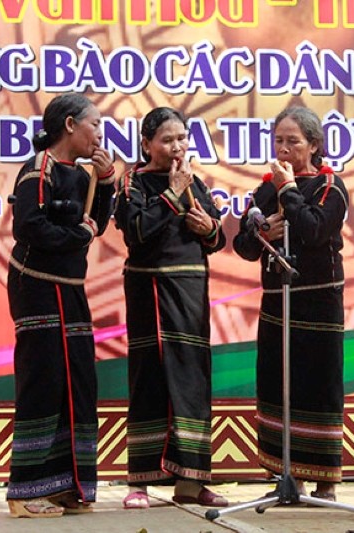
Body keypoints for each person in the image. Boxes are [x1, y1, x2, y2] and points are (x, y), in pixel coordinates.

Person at [5, 94, 116, 517]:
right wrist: (79, 235)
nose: (100, 134)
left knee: (77, 382)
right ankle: (25, 491)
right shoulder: (39, 169)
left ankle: (66, 484)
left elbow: (96, 223)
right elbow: (29, 227)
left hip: (70, 287)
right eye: (95, 124)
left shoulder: (82, 174)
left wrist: (106, 182)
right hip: (36, 284)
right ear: (70, 125)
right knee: (44, 380)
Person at [113, 107, 228, 509]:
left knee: (192, 380)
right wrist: (172, 194)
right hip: (150, 289)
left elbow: (217, 236)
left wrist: (208, 228)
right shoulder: (133, 182)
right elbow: (136, 231)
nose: (177, 147)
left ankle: (192, 482)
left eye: (182, 138)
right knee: (150, 378)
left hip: (190, 290)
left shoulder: (193, 180)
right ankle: (140, 482)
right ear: (147, 145)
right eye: (167, 140)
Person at [233, 106, 349, 501]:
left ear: (313, 145)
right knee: (277, 384)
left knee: (318, 384)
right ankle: (288, 477)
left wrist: (287, 191)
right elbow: (244, 246)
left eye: (293, 141)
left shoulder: (330, 185)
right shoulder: (264, 190)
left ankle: (325, 481)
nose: (283, 149)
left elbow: (315, 230)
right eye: (278, 141)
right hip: (275, 301)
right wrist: (262, 231)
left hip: (318, 300)